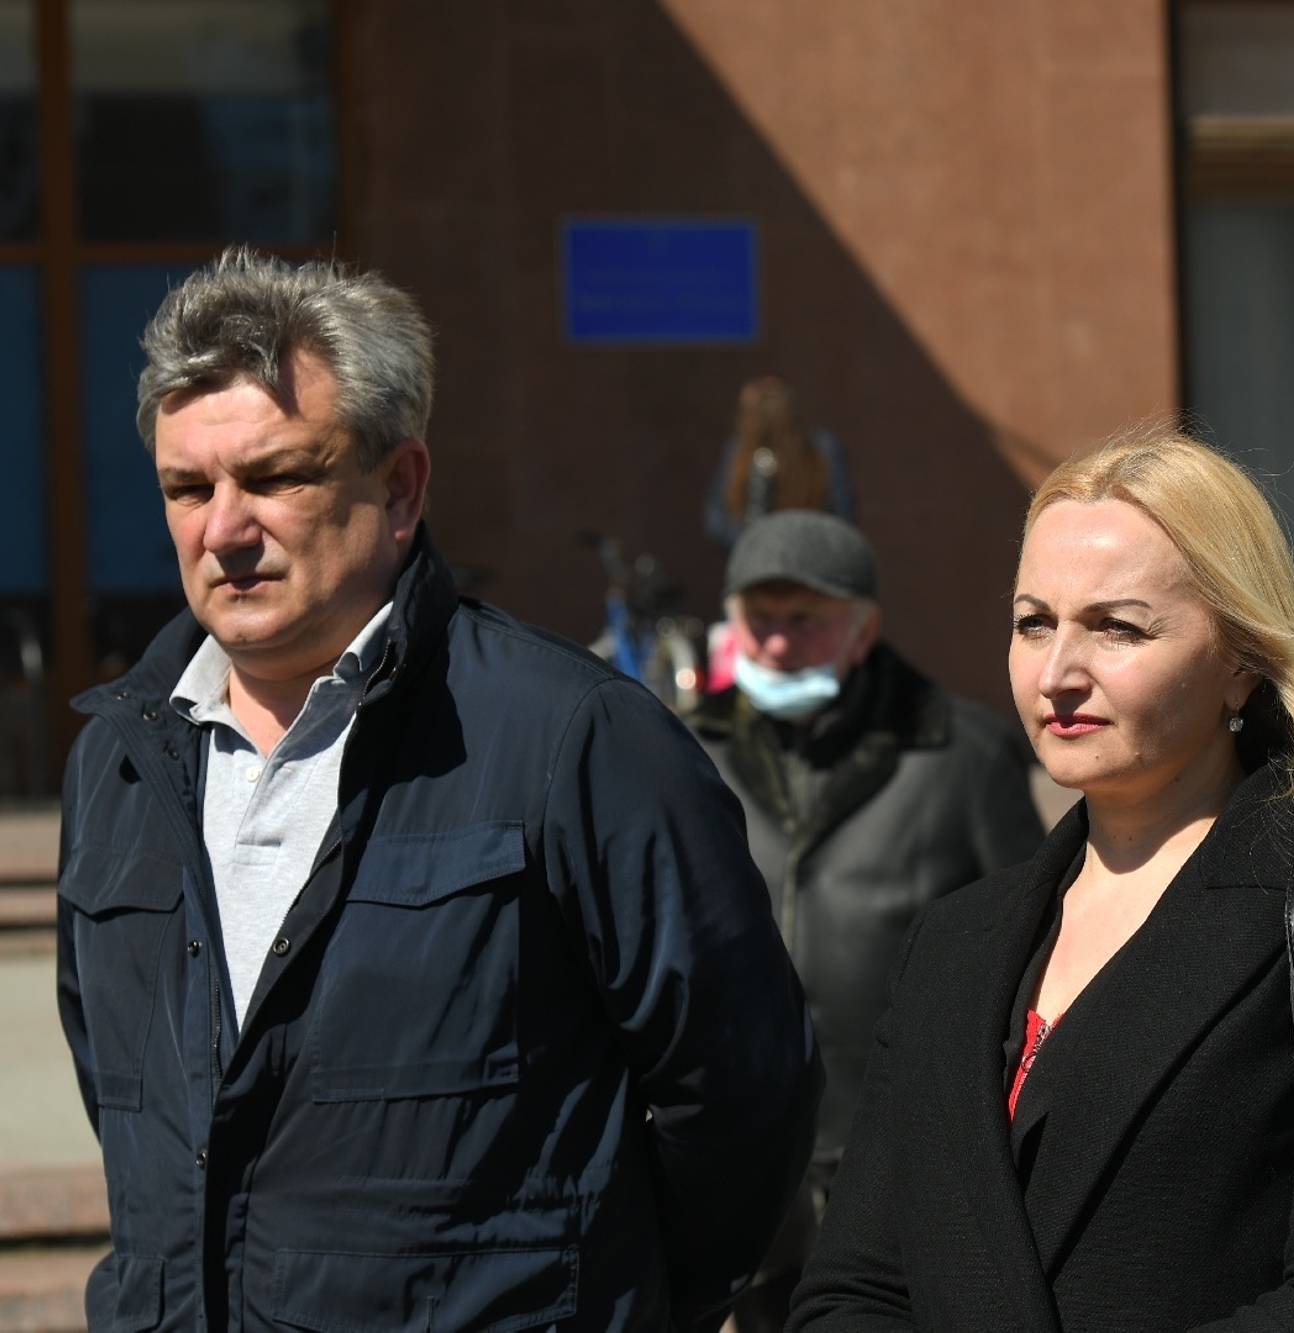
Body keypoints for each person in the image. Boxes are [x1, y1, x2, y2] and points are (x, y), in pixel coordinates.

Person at [53, 248, 820, 1332]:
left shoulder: (573, 739)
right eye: (189, 488)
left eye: (275, 477)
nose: (222, 529)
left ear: (401, 486)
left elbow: (744, 1093)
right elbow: (138, 1118)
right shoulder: (118, 762)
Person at [791, 430, 1294, 1331]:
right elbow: (850, 1291)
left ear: (1241, 661)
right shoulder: (956, 940)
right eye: (1033, 623)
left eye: (1117, 627)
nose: (1058, 675)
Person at [685, 509, 1046, 1330]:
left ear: (864, 629)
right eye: (760, 619)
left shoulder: (961, 754)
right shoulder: (689, 753)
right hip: (751, 1158)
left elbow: (1028, 944)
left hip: (902, 1155)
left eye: (806, 619)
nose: (779, 643)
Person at [704, 376, 857, 550]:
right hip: (754, 554)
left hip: (809, 554)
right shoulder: (737, 452)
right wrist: (751, 541)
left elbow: (843, 517)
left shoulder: (822, 449)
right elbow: (716, 515)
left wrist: (804, 544)